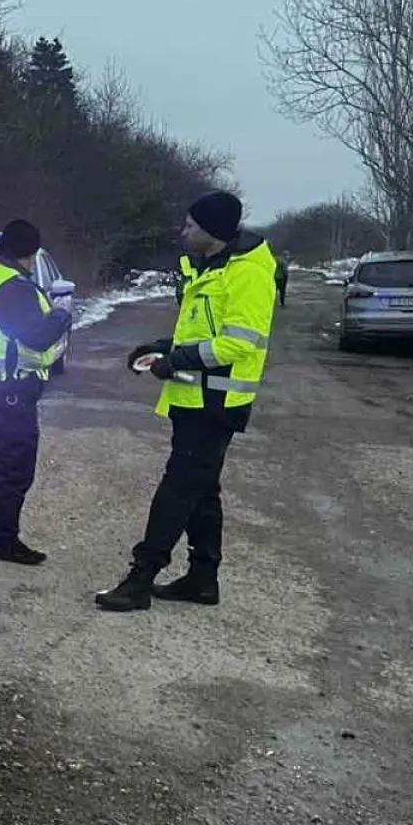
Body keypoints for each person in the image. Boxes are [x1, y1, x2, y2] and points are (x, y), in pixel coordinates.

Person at [95, 191, 277, 612]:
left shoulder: (247, 273)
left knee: (178, 489)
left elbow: (237, 343)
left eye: (191, 226)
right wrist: (159, 347)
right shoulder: (209, 269)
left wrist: (175, 359)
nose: (183, 232)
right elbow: (198, 334)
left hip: (216, 403)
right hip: (193, 398)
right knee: (201, 488)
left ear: (212, 232)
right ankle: (202, 578)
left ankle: (141, 578)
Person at [0, 219, 73, 565]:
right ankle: (2, 541)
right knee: (13, 467)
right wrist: (61, 315)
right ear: (33, 253)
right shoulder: (15, 287)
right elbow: (37, 336)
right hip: (9, 390)